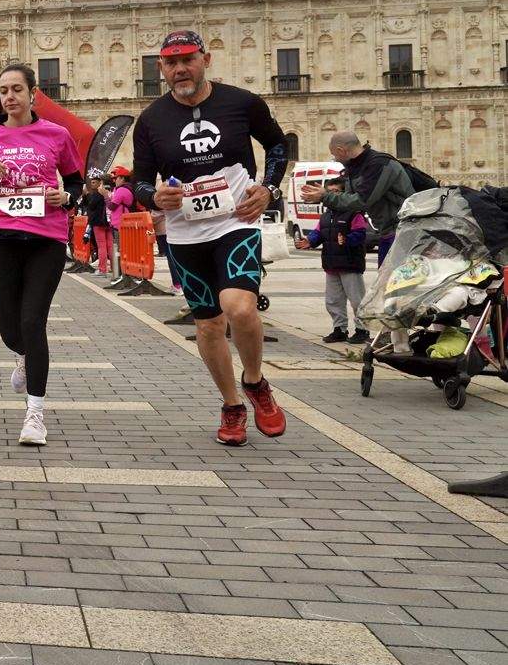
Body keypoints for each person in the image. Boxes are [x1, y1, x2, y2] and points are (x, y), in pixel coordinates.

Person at [132, 30, 290, 447]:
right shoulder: (151, 119)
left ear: (206, 59)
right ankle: (232, 405)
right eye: (170, 62)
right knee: (207, 326)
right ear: (161, 68)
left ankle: (255, 381)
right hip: (185, 232)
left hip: (235, 221)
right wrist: (154, 196)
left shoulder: (242, 102)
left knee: (238, 308)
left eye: (188, 59)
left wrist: (268, 188)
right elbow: (138, 181)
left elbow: (277, 146)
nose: (180, 68)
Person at [0, 64, 83, 446]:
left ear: (33, 94)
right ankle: (25, 356)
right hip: (0, 236)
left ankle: (35, 414)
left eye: (17, 89)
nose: (9, 97)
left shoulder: (56, 134)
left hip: (46, 238)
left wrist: (66, 197)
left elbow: (79, 183)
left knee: (33, 322)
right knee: (10, 326)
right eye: (3, 90)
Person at [303, 130, 415, 269]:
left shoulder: (379, 165)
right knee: (387, 282)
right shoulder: (356, 168)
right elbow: (350, 201)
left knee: (394, 283)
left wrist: (325, 196)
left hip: (402, 231)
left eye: (334, 155)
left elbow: (362, 200)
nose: (335, 159)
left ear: (341, 150)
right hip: (388, 232)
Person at [295, 177, 370, 344]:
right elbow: (318, 233)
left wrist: (348, 240)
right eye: (329, 192)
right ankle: (339, 329)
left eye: (337, 192)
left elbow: (360, 233)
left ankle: (362, 329)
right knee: (333, 300)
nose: (332, 195)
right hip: (331, 264)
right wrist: (310, 241)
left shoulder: (354, 213)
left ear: (345, 194)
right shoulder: (325, 216)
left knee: (357, 299)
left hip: (350, 264)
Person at [107, 168, 135, 277]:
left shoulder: (121, 190)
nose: (114, 180)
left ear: (122, 178)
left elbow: (111, 206)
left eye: (116, 178)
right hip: (120, 223)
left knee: (120, 250)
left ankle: (121, 274)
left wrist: (105, 196)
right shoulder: (122, 189)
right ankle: (122, 273)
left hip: (120, 224)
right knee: (120, 249)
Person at [82, 174, 111, 274]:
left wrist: (86, 195)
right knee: (110, 246)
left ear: (101, 182)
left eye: (94, 182)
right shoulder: (110, 191)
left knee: (102, 246)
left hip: (98, 222)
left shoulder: (98, 193)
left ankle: (102, 269)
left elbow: (91, 205)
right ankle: (115, 269)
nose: (92, 184)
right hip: (108, 221)